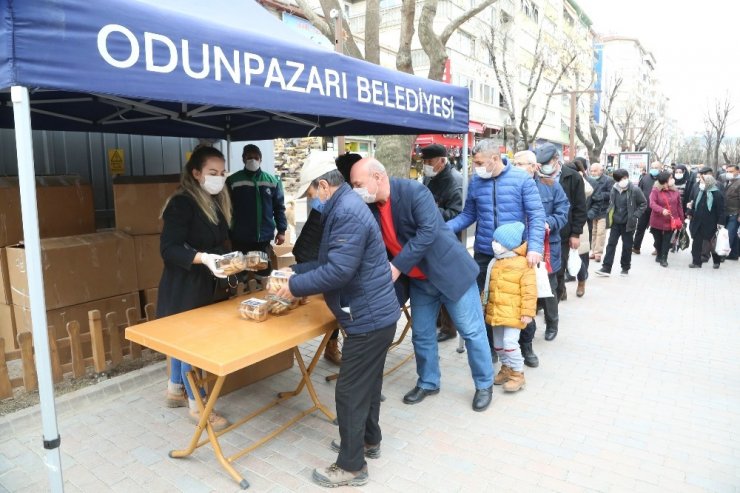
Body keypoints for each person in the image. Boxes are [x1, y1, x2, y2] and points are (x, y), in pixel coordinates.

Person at [276, 152, 400, 488]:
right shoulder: (344, 206)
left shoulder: (345, 212)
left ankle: (351, 465)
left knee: (348, 392)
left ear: (323, 185)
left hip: (368, 317)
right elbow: (330, 260)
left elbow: (339, 271)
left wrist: (294, 286)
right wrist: (297, 270)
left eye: (311, 193)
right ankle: (368, 441)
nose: (310, 200)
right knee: (368, 385)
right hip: (374, 314)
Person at [350, 158, 495, 412]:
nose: (356, 190)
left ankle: (484, 384)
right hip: (419, 280)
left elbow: (428, 232)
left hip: (450, 274)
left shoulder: (414, 191)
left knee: (471, 331)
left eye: (358, 184)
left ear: (378, 177)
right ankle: (428, 381)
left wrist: (396, 266)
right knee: (422, 335)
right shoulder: (371, 206)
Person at [158, 146, 233, 431]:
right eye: (212, 173)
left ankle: (175, 389)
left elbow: (221, 239)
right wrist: (203, 258)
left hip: (205, 283)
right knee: (192, 343)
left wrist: (231, 260)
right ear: (196, 173)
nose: (219, 178)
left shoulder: (215, 199)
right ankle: (198, 405)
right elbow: (168, 249)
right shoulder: (181, 203)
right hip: (184, 286)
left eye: (222, 173)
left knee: (182, 341)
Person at [447, 139, 545, 353]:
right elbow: (468, 215)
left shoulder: (521, 179)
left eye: (479, 162)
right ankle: (491, 347)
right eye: (474, 163)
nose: (476, 167)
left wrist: (535, 247)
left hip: (515, 253)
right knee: (485, 300)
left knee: (518, 301)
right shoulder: (476, 182)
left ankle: (526, 347)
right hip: (484, 252)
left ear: (494, 158)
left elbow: (537, 215)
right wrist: (444, 228)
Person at [513, 150, 569, 349]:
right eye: (515, 164)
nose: (517, 168)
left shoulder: (551, 186)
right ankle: (527, 326)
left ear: (534, 166)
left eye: (521, 164)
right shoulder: (510, 185)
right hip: (519, 246)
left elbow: (563, 212)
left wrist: (549, 222)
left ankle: (552, 323)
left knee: (549, 287)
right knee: (523, 287)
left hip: (546, 245)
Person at [482, 222, 536, 392]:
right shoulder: (495, 262)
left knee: (510, 343)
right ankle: (506, 368)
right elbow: (488, 288)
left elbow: (530, 291)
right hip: (497, 312)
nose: (494, 244)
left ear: (509, 244)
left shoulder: (524, 264)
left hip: (514, 314)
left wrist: (527, 312)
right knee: (498, 345)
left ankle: (518, 374)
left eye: (498, 241)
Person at [420, 143, 464, 342]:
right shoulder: (430, 177)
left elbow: (456, 214)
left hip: (448, 240)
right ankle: (439, 320)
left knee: (445, 284)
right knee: (433, 282)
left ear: (442, 161)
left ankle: (449, 327)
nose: (426, 165)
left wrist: (430, 208)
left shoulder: (454, 181)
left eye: (429, 162)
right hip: (430, 237)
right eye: (424, 162)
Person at [535, 144, 587, 302]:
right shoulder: (535, 177)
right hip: (541, 234)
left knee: (558, 270)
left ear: (556, 160)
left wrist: (576, 233)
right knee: (542, 271)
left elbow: (579, 207)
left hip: (564, 232)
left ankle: (555, 300)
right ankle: (551, 297)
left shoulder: (573, 177)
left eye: (546, 163)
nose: (544, 167)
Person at [227, 144, 287, 270]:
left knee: (261, 270)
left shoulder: (271, 181)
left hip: (263, 236)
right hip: (240, 235)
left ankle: (260, 285)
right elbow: (225, 208)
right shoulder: (233, 181)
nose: (252, 160)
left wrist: (281, 231)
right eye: (249, 157)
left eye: (256, 157)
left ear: (260, 159)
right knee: (239, 270)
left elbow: (279, 208)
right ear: (243, 159)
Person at [595, 168, 647, 277]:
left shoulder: (635, 190)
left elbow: (643, 204)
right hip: (615, 222)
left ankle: (625, 268)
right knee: (611, 245)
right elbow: (612, 203)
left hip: (628, 223)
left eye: (623, 178)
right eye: (619, 180)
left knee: (627, 246)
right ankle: (606, 268)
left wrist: (635, 215)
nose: (622, 181)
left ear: (627, 177)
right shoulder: (614, 189)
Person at [687, 174, 726, 269]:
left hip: (711, 223)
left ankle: (716, 261)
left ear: (709, 182)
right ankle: (696, 262)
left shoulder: (717, 194)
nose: (700, 183)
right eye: (700, 181)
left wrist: (720, 223)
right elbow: (695, 206)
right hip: (698, 222)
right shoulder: (700, 192)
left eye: (702, 182)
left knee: (712, 244)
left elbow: (721, 210)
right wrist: (690, 212)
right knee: (696, 243)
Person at [648, 171, 684, 267]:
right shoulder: (656, 190)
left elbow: (679, 206)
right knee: (658, 240)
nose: (673, 179)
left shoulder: (675, 191)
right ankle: (659, 254)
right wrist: (661, 210)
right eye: (670, 178)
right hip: (657, 220)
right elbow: (652, 203)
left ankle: (664, 258)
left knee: (667, 241)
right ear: (665, 181)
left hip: (671, 221)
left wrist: (682, 220)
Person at [571, 159, 596, 297]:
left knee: (580, 256)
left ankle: (581, 281)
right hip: (564, 223)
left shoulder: (585, 182)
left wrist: (580, 178)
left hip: (580, 224)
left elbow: (589, 191)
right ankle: (561, 288)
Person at [633, 161, 662, 254]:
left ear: (661, 168)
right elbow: (639, 191)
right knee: (640, 227)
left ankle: (658, 248)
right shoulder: (645, 178)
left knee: (656, 229)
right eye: (652, 167)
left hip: (658, 209)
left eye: (656, 167)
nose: (654, 169)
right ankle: (636, 247)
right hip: (645, 208)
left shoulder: (663, 178)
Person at [588, 162, 614, 262]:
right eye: (591, 171)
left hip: (604, 210)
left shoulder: (608, 180)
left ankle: (598, 253)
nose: (593, 173)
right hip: (593, 209)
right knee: (593, 232)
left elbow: (611, 194)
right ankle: (593, 251)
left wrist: (598, 195)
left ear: (601, 171)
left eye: (595, 171)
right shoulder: (590, 180)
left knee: (601, 232)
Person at [723, 164, 740, 260]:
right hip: (726, 212)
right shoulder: (727, 181)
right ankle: (734, 254)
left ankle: (725, 253)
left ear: (738, 171)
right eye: (727, 171)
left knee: (730, 234)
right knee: (731, 234)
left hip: (735, 213)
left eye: (731, 171)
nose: (728, 173)